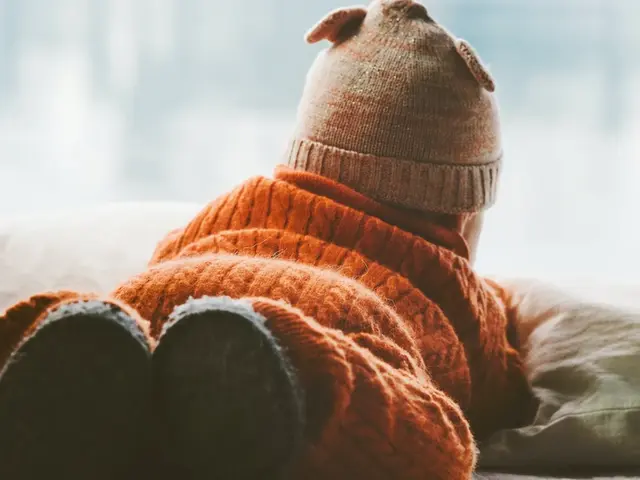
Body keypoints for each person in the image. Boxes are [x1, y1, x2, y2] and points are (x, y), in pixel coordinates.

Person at [0, 1, 536, 479]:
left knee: (120, 327)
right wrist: (499, 314)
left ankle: (66, 335)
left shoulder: (231, 208)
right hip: (315, 329)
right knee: (433, 436)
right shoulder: (452, 279)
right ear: (462, 214)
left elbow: (166, 255)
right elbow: (497, 393)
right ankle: (284, 379)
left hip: (170, 295)